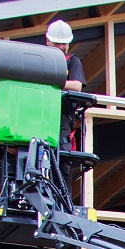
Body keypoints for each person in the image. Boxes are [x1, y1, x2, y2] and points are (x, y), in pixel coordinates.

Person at [44, 19, 88, 153]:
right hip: (40, 114)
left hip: (62, 116)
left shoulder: (72, 62)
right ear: (48, 41)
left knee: (62, 156)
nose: (61, 47)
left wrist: (50, 83)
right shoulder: (38, 60)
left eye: (64, 43)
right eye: (57, 43)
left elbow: (76, 86)